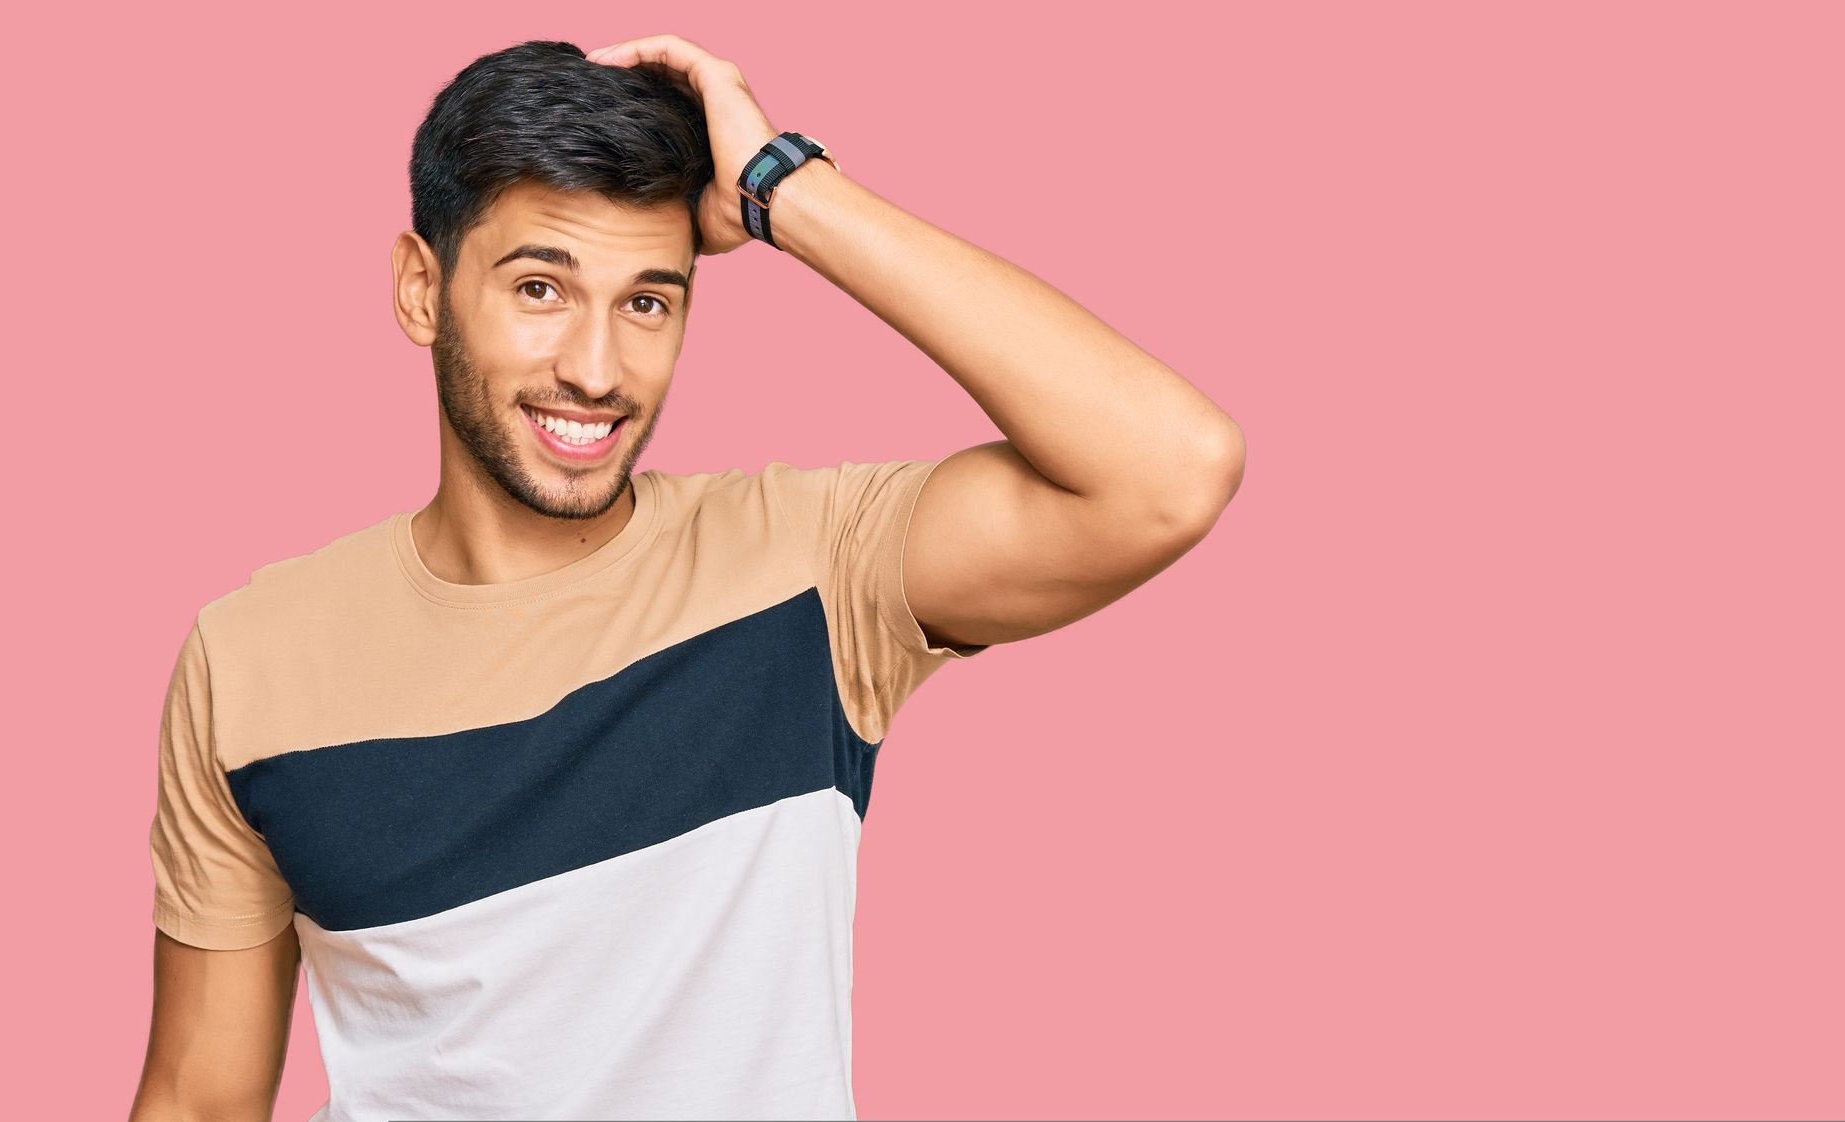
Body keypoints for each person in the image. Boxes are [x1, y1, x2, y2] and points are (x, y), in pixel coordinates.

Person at [129, 34, 1245, 1122]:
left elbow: (1165, 471)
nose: (598, 369)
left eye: (648, 301)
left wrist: (781, 190)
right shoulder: (252, 655)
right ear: (424, 290)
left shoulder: (812, 569)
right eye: (540, 289)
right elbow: (198, 1095)